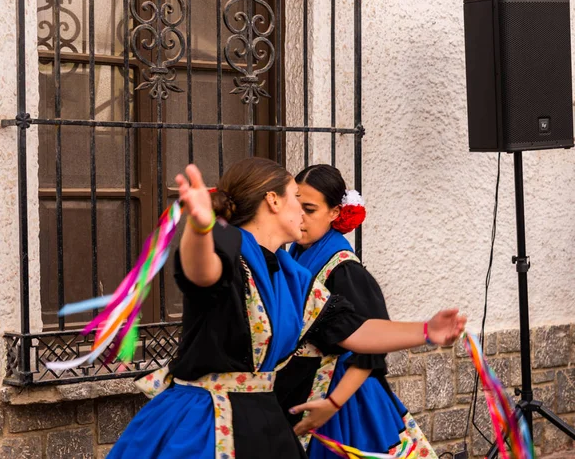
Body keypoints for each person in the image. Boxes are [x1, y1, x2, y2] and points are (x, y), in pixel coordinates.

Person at [109, 158, 465, 459]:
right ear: (273, 202)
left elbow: (354, 330)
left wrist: (425, 331)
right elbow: (202, 274)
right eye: (297, 197)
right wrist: (200, 230)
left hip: (264, 415)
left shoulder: (291, 274)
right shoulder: (227, 244)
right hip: (203, 420)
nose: (301, 209)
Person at [284, 164, 437, 458]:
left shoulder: (344, 269)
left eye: (310, 209)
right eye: (295, 205)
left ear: (335, 213)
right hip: (305, 390)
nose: (299, 217)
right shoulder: (295, 253)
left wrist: (332, 405)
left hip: (342, 401)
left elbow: (371, 349)